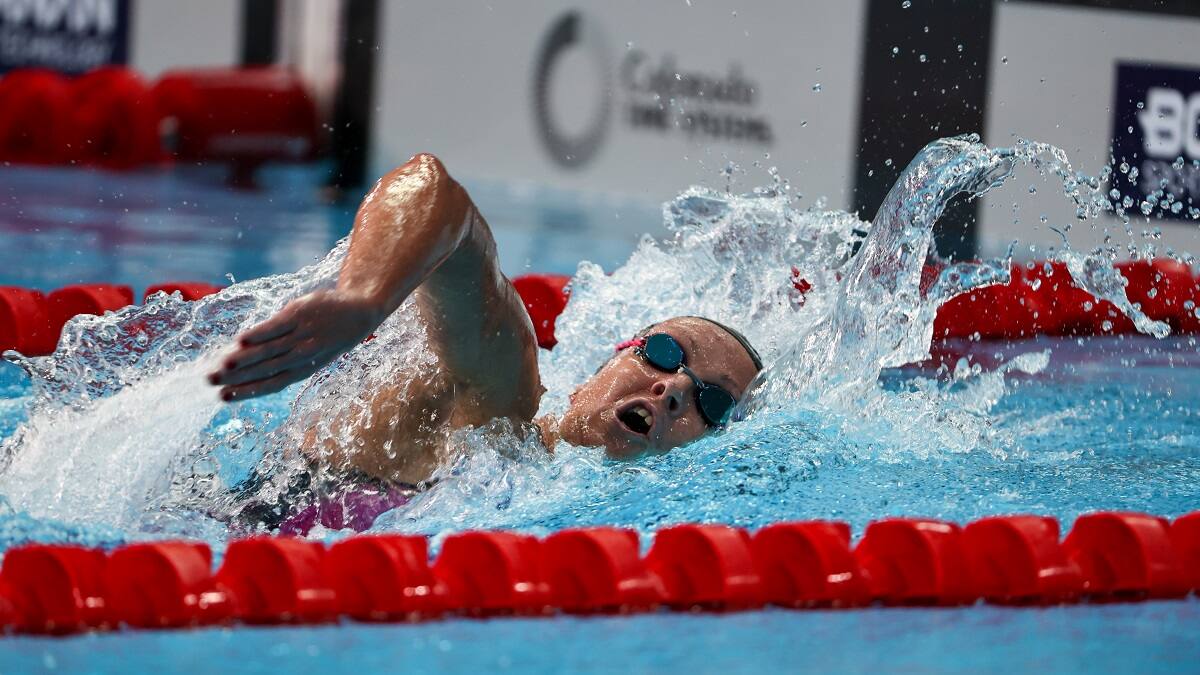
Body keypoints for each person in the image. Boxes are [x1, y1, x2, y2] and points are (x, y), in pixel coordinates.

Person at [208, 153, 763, 532]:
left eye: (712, 402)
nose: (673, 389)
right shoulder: (501, 406)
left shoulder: (568, 507)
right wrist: (364, 295)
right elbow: (434, 191)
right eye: (665, 353)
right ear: (602, 366)